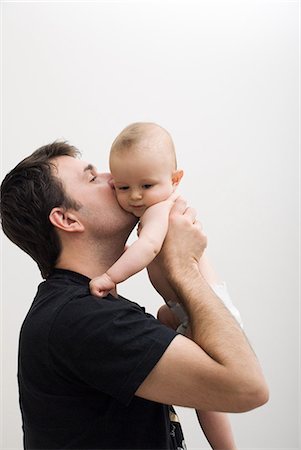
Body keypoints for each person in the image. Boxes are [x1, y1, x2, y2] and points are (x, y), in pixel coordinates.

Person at [0, 140, 268, 450]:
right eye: (91, 177)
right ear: (67, 219)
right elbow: (249, 388)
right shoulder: (84, 319)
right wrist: (183, 266)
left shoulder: (87, 309)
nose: (112, 177)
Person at [89, 122, 243, 448]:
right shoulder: (155, 206)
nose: (135, 196)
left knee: (207, 394)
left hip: (208, 309)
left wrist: (109, 277)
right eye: (122, 187)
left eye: (146, 184)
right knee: (162, 316)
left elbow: (148, 249)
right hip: (184, 310)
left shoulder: (161, 210)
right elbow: (139, 249)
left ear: (175, 179)